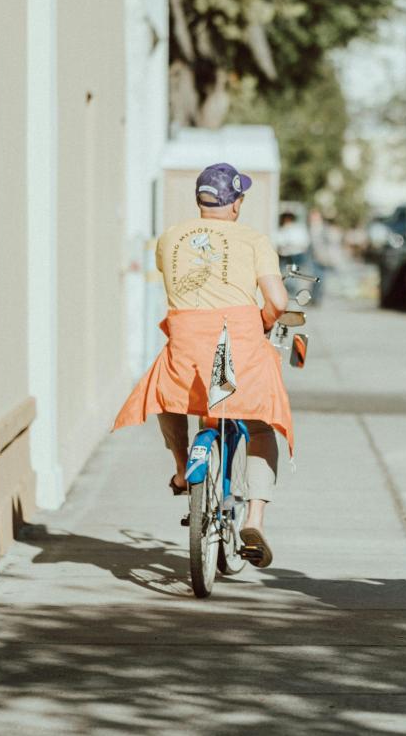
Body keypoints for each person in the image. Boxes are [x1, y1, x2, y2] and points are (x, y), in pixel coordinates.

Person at [113, 162, 292, 567]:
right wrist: (261, 321)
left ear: (201, 200)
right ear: (236, 202)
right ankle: (256, 521)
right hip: (238, 347)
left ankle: (181, 470)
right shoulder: (253, 240)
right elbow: (278, 303)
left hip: (188, 345)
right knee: (262, 424)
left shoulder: (171, 237)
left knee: (168, 397)